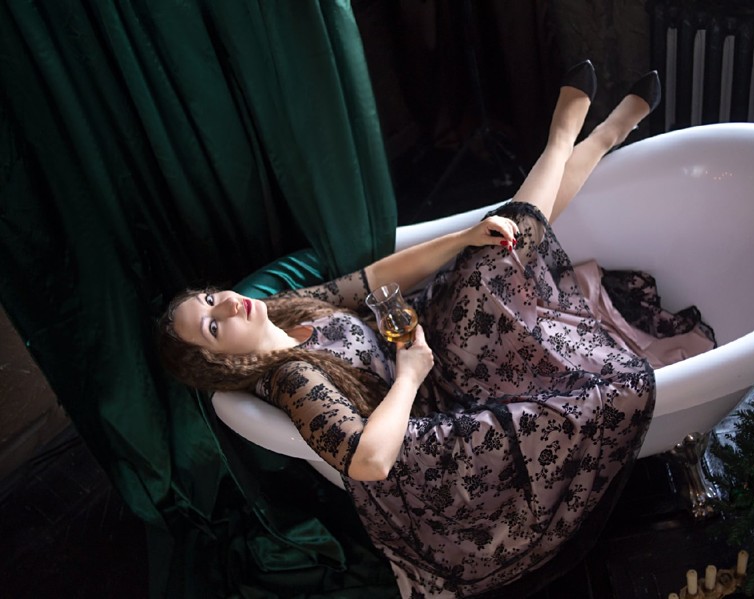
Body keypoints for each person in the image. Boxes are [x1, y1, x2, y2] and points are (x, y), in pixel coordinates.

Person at [158, 60, 715, 598]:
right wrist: (409, 373)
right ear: (221, 363)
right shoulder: (290, 380)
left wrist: (463, 238)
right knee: (527, 294)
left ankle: (583, 138)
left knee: (498, 244)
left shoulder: (278, 310)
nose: (226, 305)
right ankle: (580, 136)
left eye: (209, 299)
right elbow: (370, 461)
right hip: (433, 421)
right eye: (212, 327)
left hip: (430, 345)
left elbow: (372, 280)